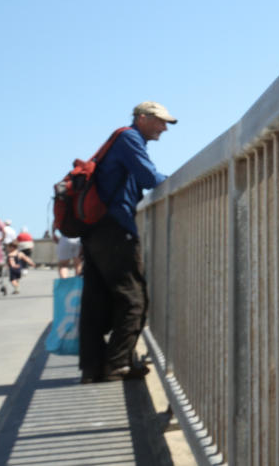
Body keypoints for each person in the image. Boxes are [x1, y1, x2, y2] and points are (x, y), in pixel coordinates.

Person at [79, 101, 176, 383]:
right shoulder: (129, 137)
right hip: (115, 230)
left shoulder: (121, 139)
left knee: (96, 300)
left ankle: (92, 368)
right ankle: (118, 364)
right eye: (160, 121)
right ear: (142, 118)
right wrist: (173, 181)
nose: (164, 128)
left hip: (97, 230)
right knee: (134, 298)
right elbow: (149, 178)